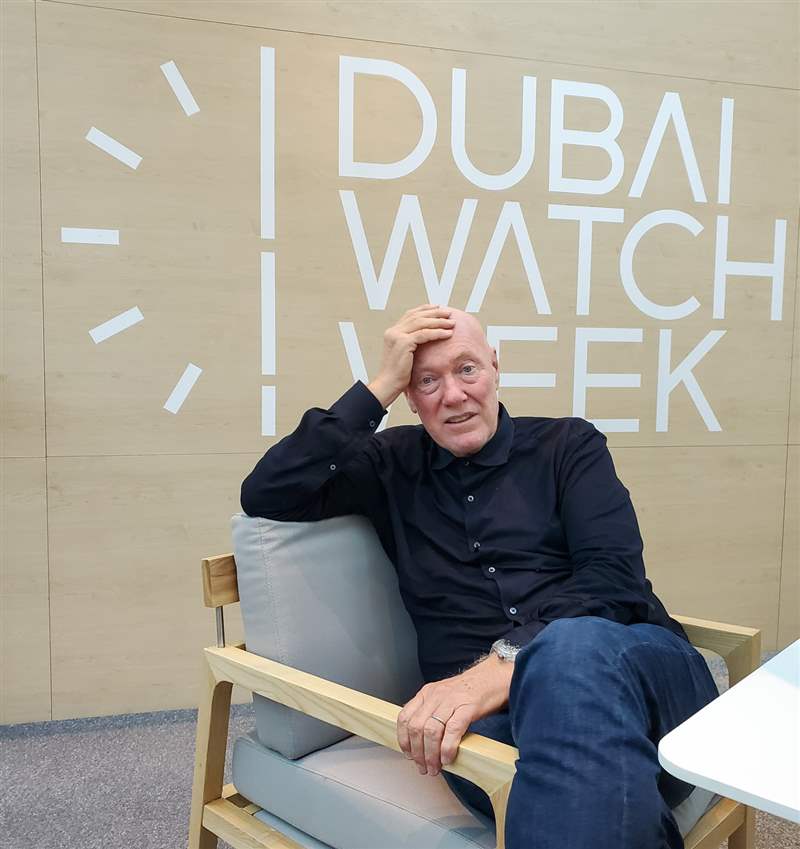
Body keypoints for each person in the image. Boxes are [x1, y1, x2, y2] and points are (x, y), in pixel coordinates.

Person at [240, 303, 719, 849]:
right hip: (489, 729)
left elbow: (613, 579)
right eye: (426, 381)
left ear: (495, 366)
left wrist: (500, 667)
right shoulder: (390, 464)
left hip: (641, 677)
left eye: (466, 369)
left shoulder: (568, 445)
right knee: (587, 775)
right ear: (410, 397)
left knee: (569, 647)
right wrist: (379, 386)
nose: (453, 395)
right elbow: (267, 493)